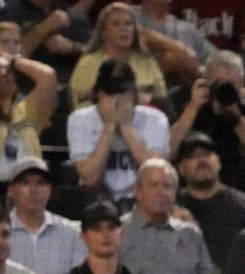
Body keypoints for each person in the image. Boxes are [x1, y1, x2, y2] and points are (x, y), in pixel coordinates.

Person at [67, 58, 170, 202]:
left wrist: (126, 125)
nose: (116, 99)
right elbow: (90, 179)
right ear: (97, 94)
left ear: (134, 94)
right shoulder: (80, 119)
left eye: (122, 92)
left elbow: (156, 174)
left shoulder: (156, 119)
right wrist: (109, 126)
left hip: (143, 200)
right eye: (109, 92)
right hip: (97, 199)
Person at [174, 131, 245, 274]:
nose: (201, 161)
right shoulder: (171, 207)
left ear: (218, 162)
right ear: (181, 169)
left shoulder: (244, 206)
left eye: (206, 154)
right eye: (192, 157)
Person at [119, 158, 216, 274]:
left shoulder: (191, 234)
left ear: (175, 194)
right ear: (138, 191)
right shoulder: (118, 232)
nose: (161, 192)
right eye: (154, 185)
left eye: (167, 186)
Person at [168, 50, 245, 172]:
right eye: (220, 82)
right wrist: (193, 107)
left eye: (232, 83)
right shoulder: (188, 103)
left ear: (242, 82)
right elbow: (169, 149)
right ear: (207, 81)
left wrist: (236, 118)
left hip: (241, 176)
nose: (226, 88)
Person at [67, 2, 168, 110]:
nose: (124, 29)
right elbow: (81, 107)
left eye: (128, 24)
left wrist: (150, 99)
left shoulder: (147, 61)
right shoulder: (88, 63)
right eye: (116, 24)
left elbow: (165, 104)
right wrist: (133, 100)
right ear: (103, 32)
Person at [6, 156, 85, 274]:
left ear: (49, 191)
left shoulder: (72, 233)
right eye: (25, 183)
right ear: (11, 190)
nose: (33, 190)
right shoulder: (2, 232)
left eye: (40, 183)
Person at [0, 42, 56, 188]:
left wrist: (13, 60)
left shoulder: (26, 111)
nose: (3, 74)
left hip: (28, 190)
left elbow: (47, 76)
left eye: (8, 70)